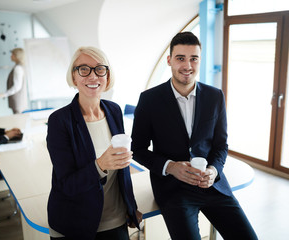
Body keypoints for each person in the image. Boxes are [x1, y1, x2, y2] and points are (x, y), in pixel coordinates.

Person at [131, 32, 258, 240]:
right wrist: (170, 167)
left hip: (213, 186)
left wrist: (214, 170)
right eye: (181, 58)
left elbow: (221, 145)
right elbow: (138, 149)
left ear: (200, 60)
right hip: (173, 189)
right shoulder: (149, 100)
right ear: (169, 60)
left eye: (194, 58)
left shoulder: (215, 96)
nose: (187, 65)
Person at [46, 46, 142, 239]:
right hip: (75, 222)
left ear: (107, 76)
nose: (92, 76)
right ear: (74, 77)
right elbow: (66, 185)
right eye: (83, 69)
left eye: (99, 69)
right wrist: (100, 165)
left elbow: (121, 170)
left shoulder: (114, 111)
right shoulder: (59, 121)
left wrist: (131, 207)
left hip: (115, 219)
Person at [0, 48, 28, 114]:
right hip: (20, 100)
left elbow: (17, 86)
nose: (11, 56)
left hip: (18, 101)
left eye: (12, 54)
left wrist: (4, 94)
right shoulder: (21, 66)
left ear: (17, 56)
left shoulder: (18, 68)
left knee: (18, 119)